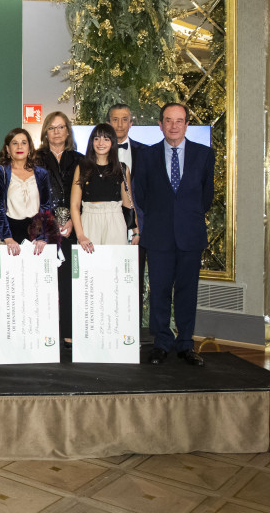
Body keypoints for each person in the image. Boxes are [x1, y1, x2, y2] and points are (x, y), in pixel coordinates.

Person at [134, 103, 214, 367]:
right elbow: (141, 195)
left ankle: (186, 344)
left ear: (187, 124)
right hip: (158, 236)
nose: (174, 126)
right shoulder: (146, 156)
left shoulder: (204, 155)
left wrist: (185, 215)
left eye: (179, 121)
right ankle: (161, 343)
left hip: (190, 235)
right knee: (159, 291)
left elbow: (206, 197)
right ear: (160, 124)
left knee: (187, 292)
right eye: (168, 120)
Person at [35, 110, 84, 346]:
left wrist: (75, 219)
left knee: (68, 282)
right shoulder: (34, 158)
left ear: (68, 131)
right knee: (44, 280)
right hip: (43, 227)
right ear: (45, 131)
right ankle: (45, 330)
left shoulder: (81, 159)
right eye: (52, 127)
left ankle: (68, 331)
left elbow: (88, 194)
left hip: (73, 228)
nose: (56, 132)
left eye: (61, 127)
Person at [70, 123, 138, 252]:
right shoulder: (82, 168)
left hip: (115, 220)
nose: (101, 143)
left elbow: (128, 203)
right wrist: (80, 235)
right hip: (89, 220)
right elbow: (75, 205)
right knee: (89, 269)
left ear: (112, 142)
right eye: (97, 138)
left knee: (115, 267)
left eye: (106, 139)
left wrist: (136, 231)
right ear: (92, 142)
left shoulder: (122, 169)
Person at [107, 103, 148, 315]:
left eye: (125, 119)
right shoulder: (95, 155)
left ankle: (133, 335)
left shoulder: (147, 153)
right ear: (107, 123)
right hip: (104, 228)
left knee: (134, 281)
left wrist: (138, 227)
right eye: (115, 119)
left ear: (131, 123)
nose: (120, 124)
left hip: (136, 231)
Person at [0, 129, 54, 256]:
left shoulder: (42, 173)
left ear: (29, 147)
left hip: (35, 234)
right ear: (7, 149)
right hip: (9, 233)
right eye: (15, 143)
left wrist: (42, 236)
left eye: (24, 142)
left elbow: (46, 206)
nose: (19, 146)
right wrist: (7, 237)